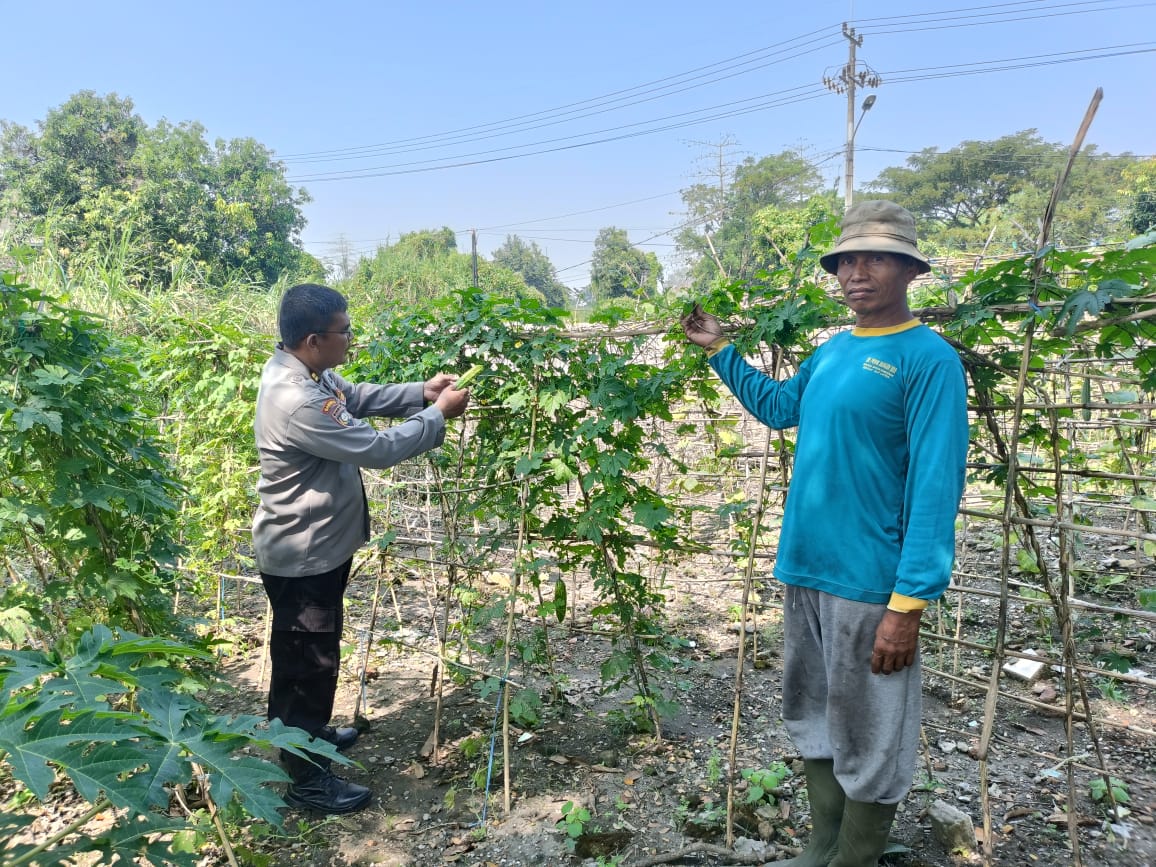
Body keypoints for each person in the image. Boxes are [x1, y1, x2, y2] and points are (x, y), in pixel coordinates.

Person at [681, 201, 969, 867]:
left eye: (875, 259)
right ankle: (822, 847)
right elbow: (780, 407)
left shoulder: (928, 360)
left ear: (910, 270)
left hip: (870, 583)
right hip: (806, 567)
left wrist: (908, 604)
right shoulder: (834, 351)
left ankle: (854, 858)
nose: (855, 272)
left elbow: (935, 488)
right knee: (814, 712)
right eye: (845, 261)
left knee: (872, 729)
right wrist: (720, 350)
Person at [252, 283, 470, 814]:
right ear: (313, 339)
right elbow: (375, 447)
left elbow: (355, 397)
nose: (350, 338)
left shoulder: (309, 373)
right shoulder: (297, 400)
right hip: (303, 556)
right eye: (344, 331)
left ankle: (311, 738)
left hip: (319, 548)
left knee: (310, 654)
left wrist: (419, 392)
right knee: (307, 665)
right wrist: (438, 415)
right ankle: (306, 778)